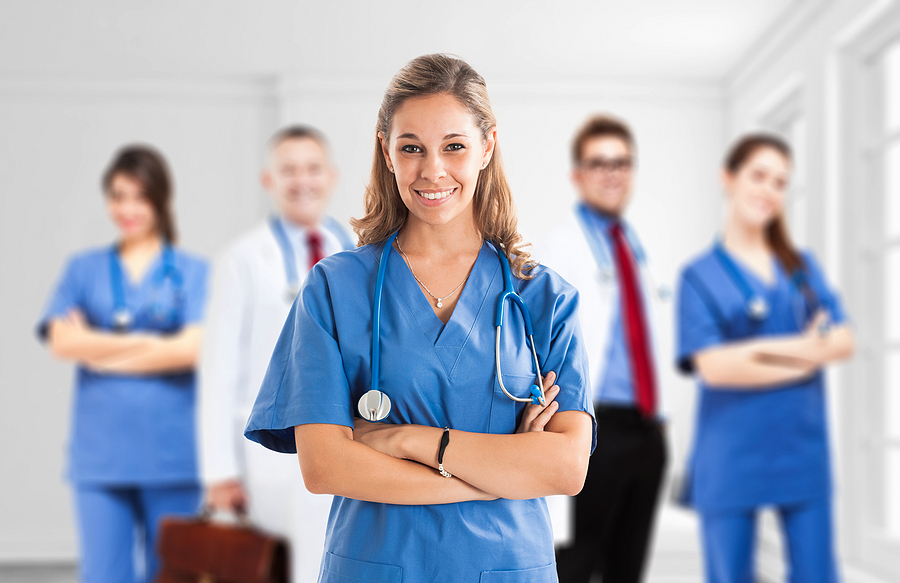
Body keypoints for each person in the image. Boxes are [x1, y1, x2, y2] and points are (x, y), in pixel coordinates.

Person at [244, 53, 596, 582]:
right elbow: (325, 467)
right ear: (386, 152)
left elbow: (566, 469)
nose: (432, 170)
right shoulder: (335, 289)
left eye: (454, 146)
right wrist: (501, 473)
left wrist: (407, 440)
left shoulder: (543, 297)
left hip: (505, 568)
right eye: (411, 148)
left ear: (487, 147)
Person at [675, 134, 854, 582]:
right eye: (759, 175)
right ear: (728, 179)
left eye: (780, 182)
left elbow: (843, 340)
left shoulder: (801, 268)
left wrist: (756, 353)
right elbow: (714, 368)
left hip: (802, 450)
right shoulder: (699, 276)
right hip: (732, 455)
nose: (769, 190)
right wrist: (806, 352)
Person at [36, 145, 209, 583]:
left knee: (173, 574)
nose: (127, 208)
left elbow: (191, 350)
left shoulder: (193, 271)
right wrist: (152, 347)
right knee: (102, 576)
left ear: (160, 198)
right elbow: (59, 340)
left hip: (173, 456)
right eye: (118, 195)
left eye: (140, 196)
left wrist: (96, 349)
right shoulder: (84, 268)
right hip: (101, 457)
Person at [198, 125, 353, 583]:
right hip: (271, 451)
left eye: (312, 168)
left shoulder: (357, 250)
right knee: (297, 569)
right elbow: (219, 368)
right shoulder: (243, 259)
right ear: (269, 179)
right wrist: (219, 471)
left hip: (351, 441)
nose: (301, 180)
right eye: (288, 170)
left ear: (331, 176)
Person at [539, 114, 668, 583]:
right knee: (576, 564)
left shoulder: (634, 245)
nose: (612, 173)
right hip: (594, 430)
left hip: (647, 431)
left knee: (627, 570)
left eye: (621, 162)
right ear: (578, 175)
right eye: (599, 163)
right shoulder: (561, 247)